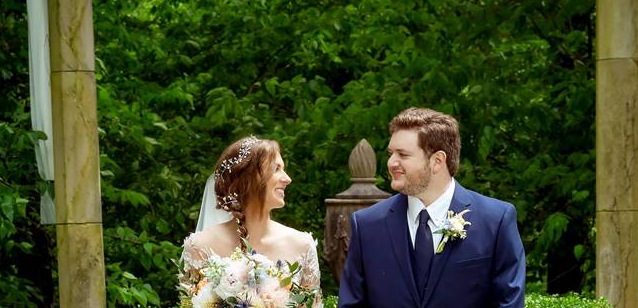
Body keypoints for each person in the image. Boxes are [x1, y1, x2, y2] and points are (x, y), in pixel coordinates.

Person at [338, 107, 526, 308]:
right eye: (391, 153)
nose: (392, 163)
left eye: (403, 154)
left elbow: (509, 303)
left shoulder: (496, 220)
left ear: (437, 161)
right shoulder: (367, 225)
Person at [179, 136, 322, 307]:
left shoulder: (302, 245)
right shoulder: (198, 246)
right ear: (249, 178)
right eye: (276, 169)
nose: (287, 179)